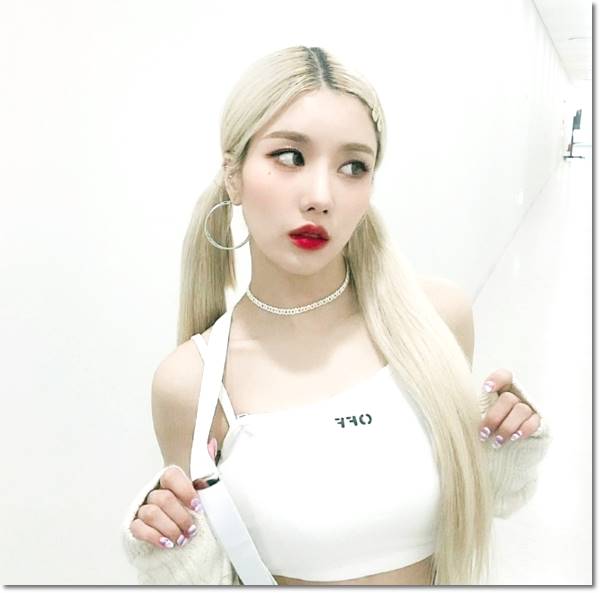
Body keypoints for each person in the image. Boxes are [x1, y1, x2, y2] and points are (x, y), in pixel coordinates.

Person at [120, 45, 552, 585]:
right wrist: (171, 546)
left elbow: (473, 506)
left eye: (353, 167)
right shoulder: (192, 383)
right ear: (233, 174)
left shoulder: (437, 319)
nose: (321, 196)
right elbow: (211, 570)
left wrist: (505, 450)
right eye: (290, 156)